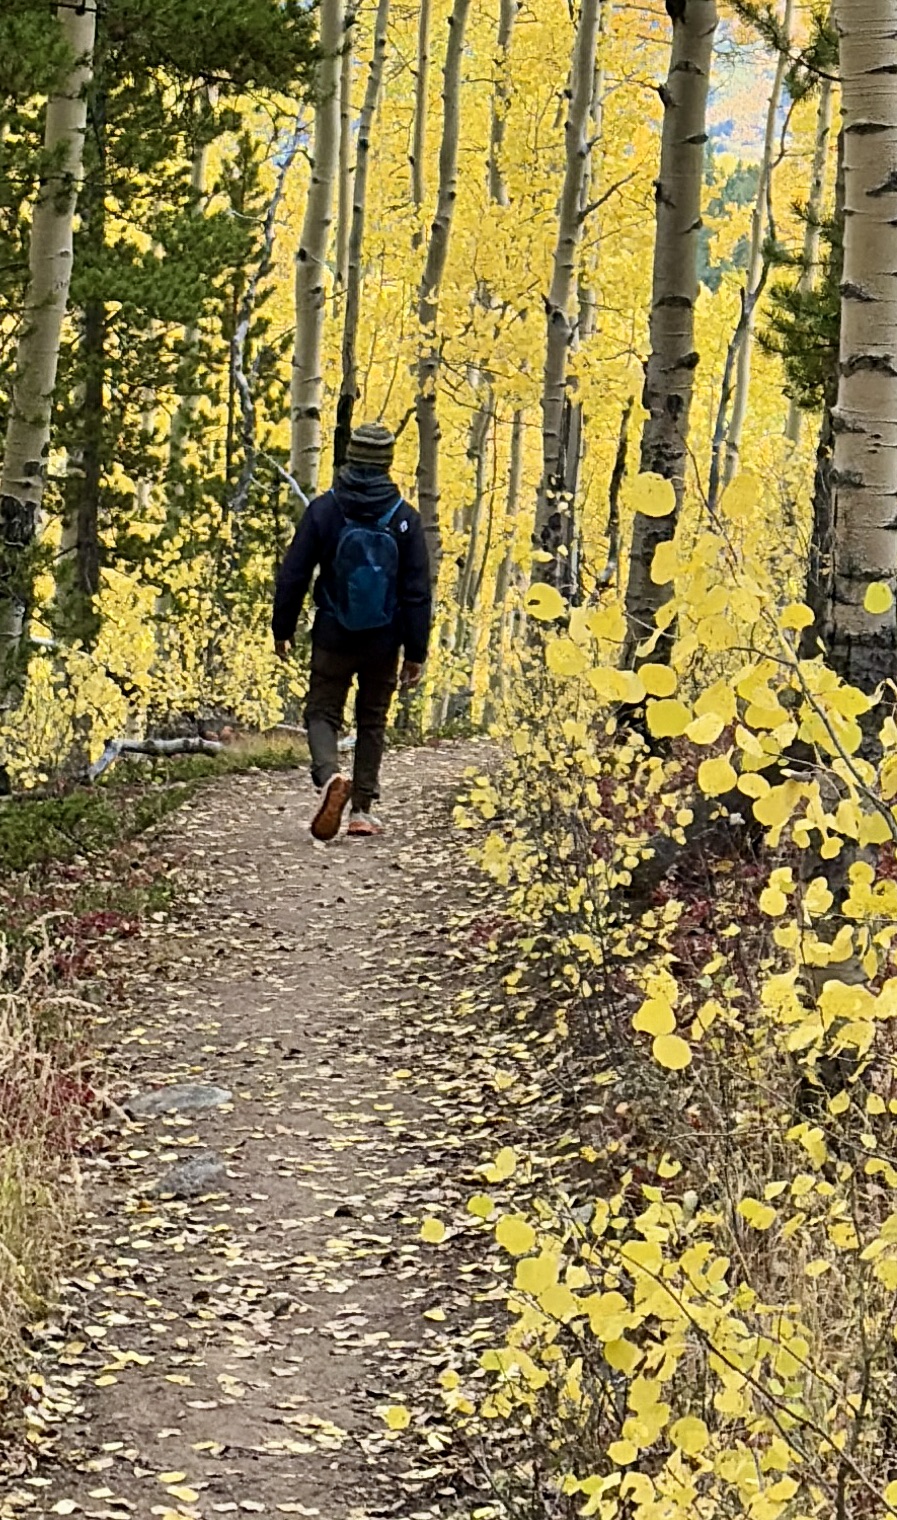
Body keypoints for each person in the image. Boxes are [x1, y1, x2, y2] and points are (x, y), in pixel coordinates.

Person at [272, 422, 431, 841]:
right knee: (372, 719)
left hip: (333, 633)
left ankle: (330, 777)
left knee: (322, 711)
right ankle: (361, 810)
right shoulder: (404, 519)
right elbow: (417, 591)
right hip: (385, 637)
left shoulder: (325, 510)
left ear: (350, 459)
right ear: (387, 464)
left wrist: (282, 628)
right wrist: (416, 651)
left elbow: (294, 573)